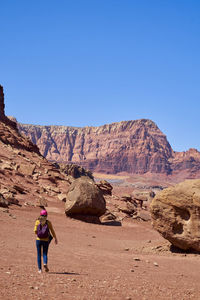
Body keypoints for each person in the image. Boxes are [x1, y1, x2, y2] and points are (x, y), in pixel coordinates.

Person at [34, 209, 58, 274]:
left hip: (38, 240)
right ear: (46, 216)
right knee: (45, 253)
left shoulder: (37, 222)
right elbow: (52, 231)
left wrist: (39, 234)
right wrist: (55, 238)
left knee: (39, 254)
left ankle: (39, 270)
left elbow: (35, 231)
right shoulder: (48, 222)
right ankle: (45, 263)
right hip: (46, 240)